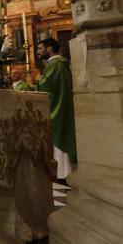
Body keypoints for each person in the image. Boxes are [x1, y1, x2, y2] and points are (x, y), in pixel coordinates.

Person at [36, 38, 76, 182]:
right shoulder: (62, 63)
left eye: (40, 48)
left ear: (50, 48)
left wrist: (38, 81)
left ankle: (61, 174)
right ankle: (63, 173)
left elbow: (46, 85)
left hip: (57, 108)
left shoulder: (55, 64)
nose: (38, 52)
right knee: (61, 136)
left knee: (58, 137)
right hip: (62, 105)